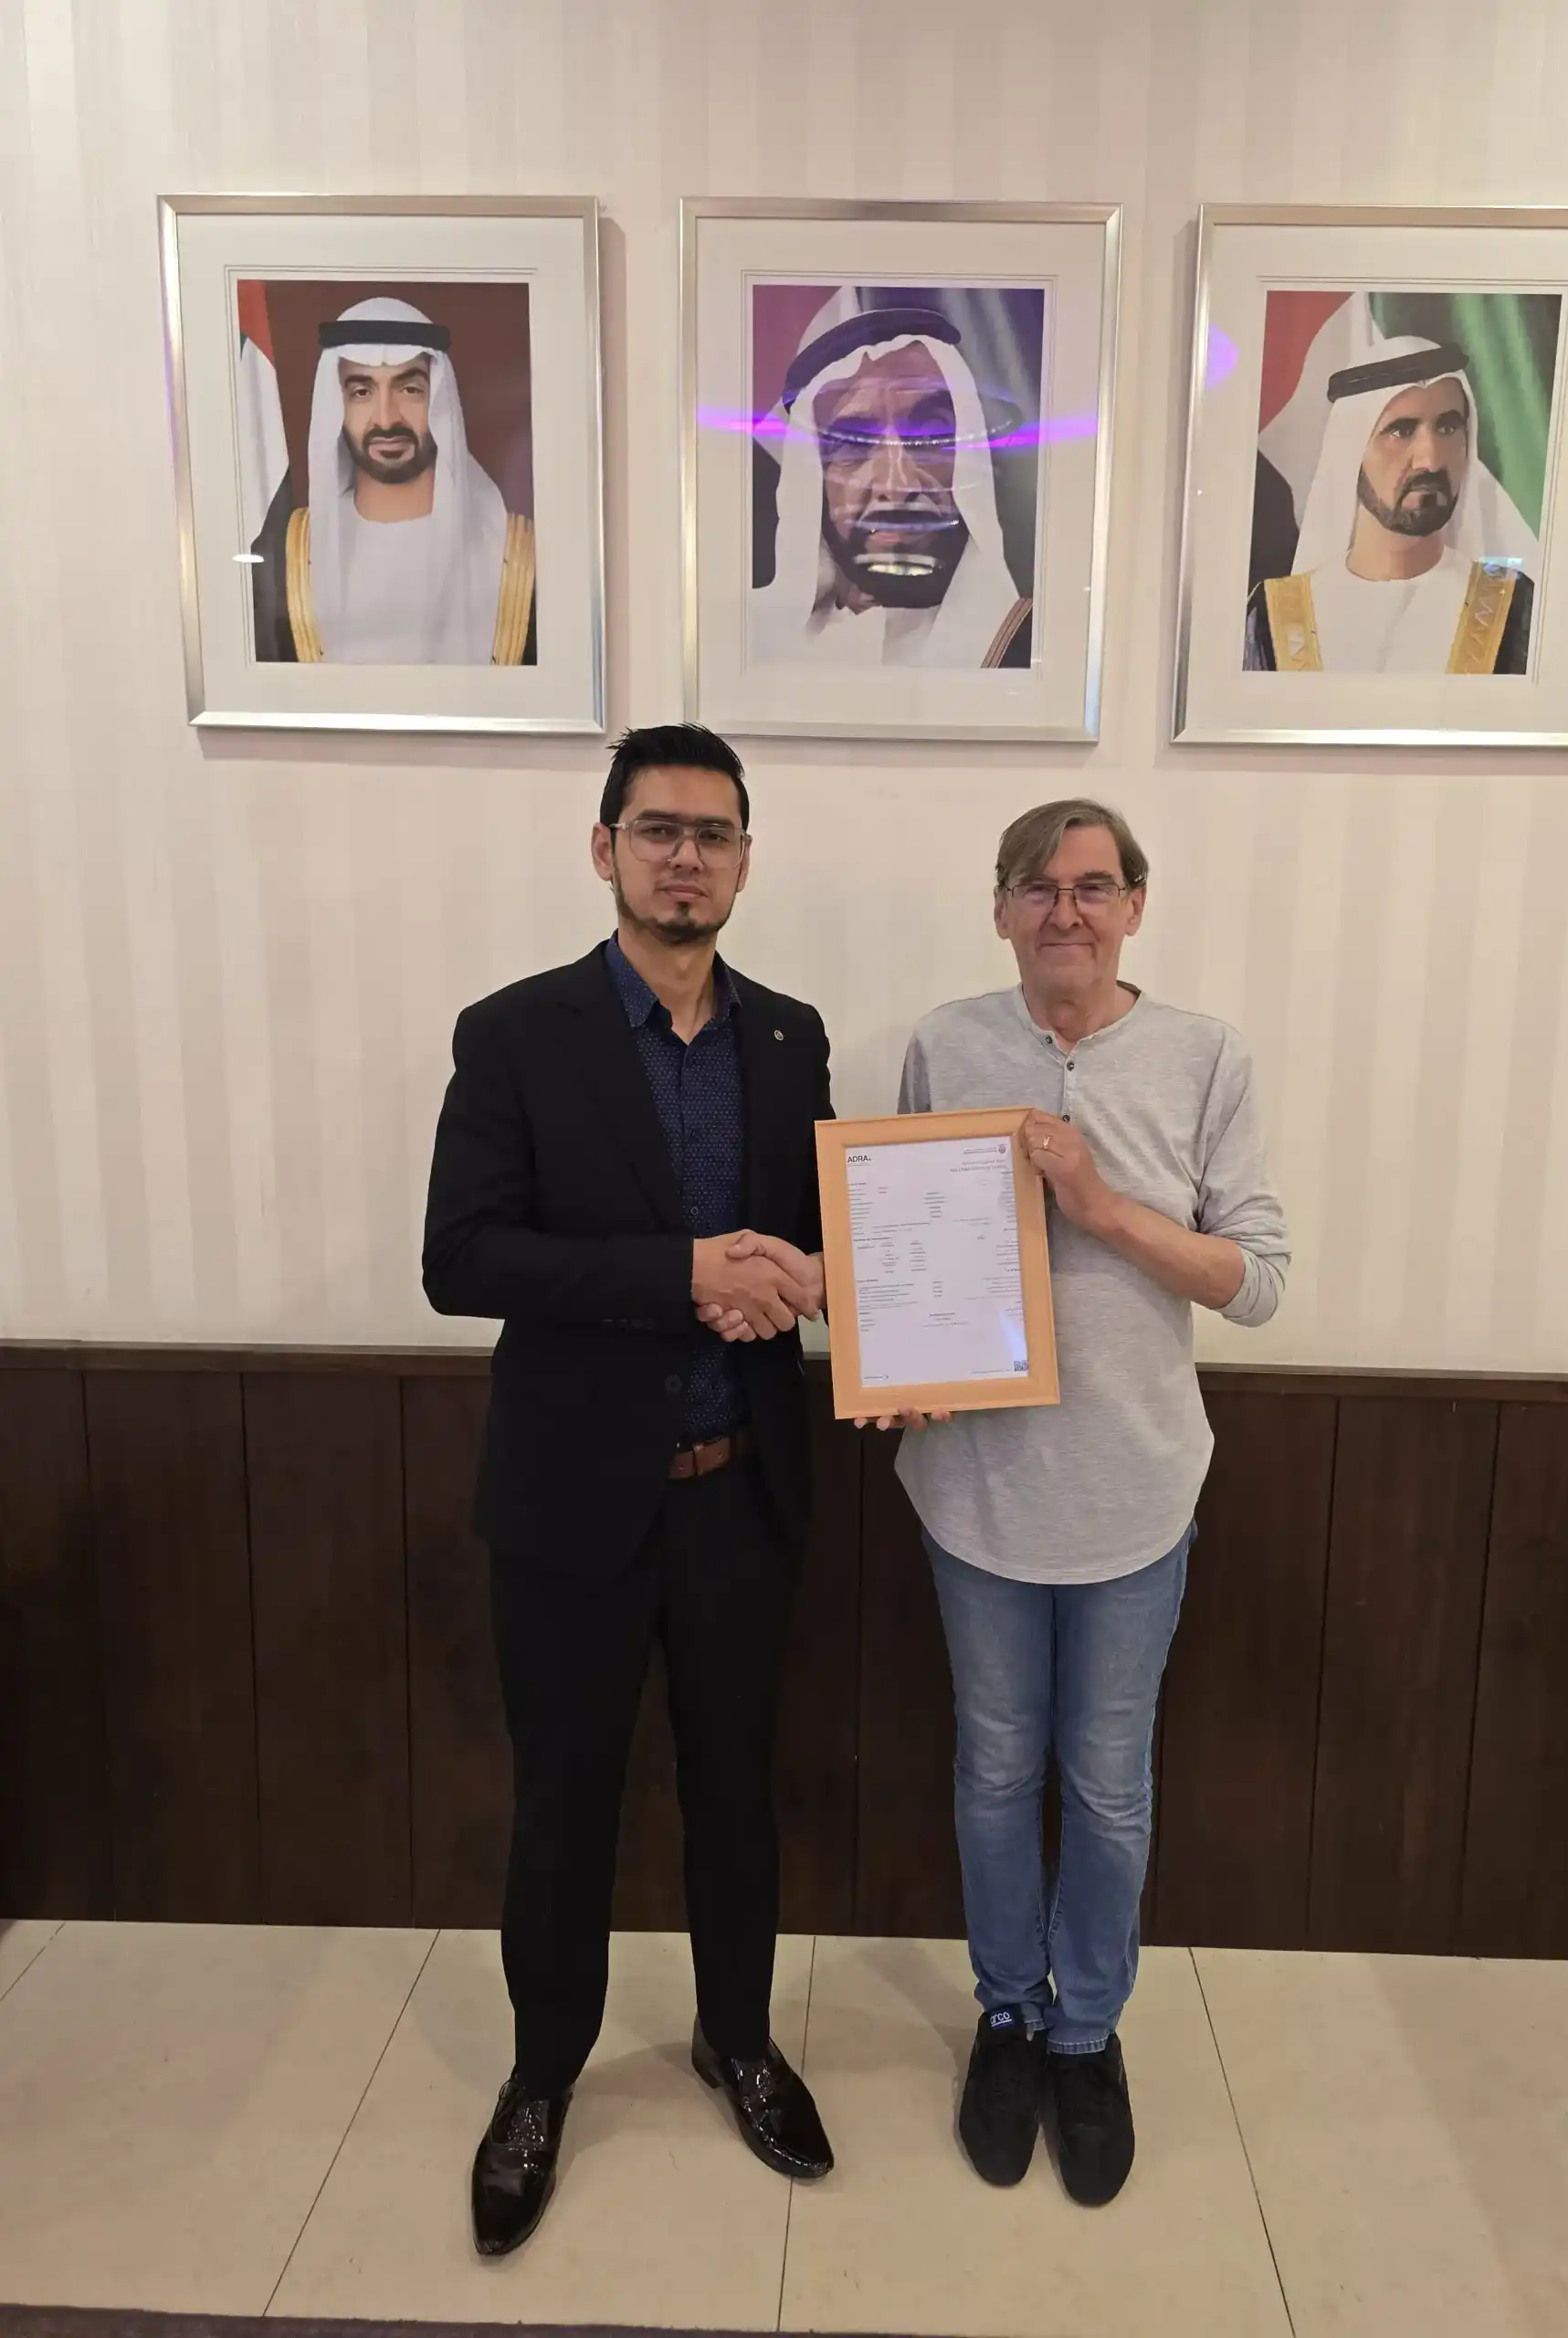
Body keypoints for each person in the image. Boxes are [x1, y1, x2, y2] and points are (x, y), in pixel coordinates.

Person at [422, 721, 835, 2259]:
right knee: (566, 1804)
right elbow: (461, 1260)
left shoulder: (790, 1038)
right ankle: (542, 2077)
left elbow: (812, 1239)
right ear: (604, 849)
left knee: (738, 1793)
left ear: (742, 859)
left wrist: (870, 1297)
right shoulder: (515, 1033)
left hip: (742, 1493)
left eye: (714, 834)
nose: (686, 857)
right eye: (657, 829)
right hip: (573, 1504)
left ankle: (740, 2040)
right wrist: (682, 1274)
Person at [875, 801, 1289, 2206]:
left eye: (1093, 886)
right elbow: (907, 1244)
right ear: (1001, 910)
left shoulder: (1205, 1056)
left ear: (1135, 906)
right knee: (994, 1768)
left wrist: (1101, 1205)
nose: (1067, 910)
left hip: (1136, 1492)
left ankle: (1087, 2031)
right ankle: (1007, 2014)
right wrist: (901, 1358)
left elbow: (1260, 1281)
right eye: (1038, 888)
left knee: (1108, 1787)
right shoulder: (948, 1042)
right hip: (977, 1490)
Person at [752, 288, 1033, 670]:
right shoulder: (750, 647)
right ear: (811, 477)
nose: (897, 484)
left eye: (930, 435)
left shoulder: (1025, 647)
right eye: (853, 444)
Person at [252, 295, 535, 665]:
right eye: (362, 392)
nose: (385, 419)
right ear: (337, 405)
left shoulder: (517, 557)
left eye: (409, 389)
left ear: (439, 401)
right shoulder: (284, 560)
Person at [1244, 337, 1534, 675]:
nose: (1430, 459)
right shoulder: (1272, 618)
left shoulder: (1513, 607)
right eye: (1401, 431)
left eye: (1448, 427)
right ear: (1352, 451)